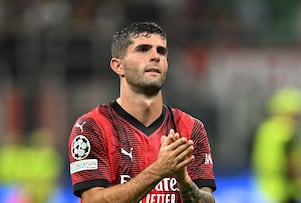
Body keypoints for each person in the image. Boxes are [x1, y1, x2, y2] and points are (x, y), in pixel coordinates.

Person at [67, 22, 216, 203]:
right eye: (143, 49)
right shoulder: (92, 126)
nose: (155, 56)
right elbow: (92, 200)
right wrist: (159, 170)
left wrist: (184, 182)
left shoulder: (191, 129)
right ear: (118, 66)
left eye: (161, 51)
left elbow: (207, 199)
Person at [251, 87, 301, 203]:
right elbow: (294, 163)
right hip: (282, 193)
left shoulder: (266, 129)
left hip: (268, 191)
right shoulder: (286, 132)